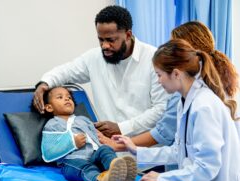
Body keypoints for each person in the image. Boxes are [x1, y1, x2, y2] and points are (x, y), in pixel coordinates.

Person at [112, 39, 240, 181]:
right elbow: (179, 151)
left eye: (159, 75)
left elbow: (207, 167)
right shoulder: (185, 101)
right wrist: (137, 150)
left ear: (176, 74)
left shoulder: (204, 106)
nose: (159, 81)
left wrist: (163, 178)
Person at [99, 21, 239, 151]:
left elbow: (164, 133)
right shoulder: (215, 81)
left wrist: (119, 145)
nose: (159, 81)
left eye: (160, 75)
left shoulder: (196, 100)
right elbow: (176, 152)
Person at [33, 5, 168, 138]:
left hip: (146, 148)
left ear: (128, 35)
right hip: (109, 147)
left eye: (110, 40)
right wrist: (44, 83)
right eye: (100, 39)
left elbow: (161, 109)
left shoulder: (154, 59)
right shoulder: (94, 58)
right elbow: (65, 71)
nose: (104, 46)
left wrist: (122, 128)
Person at [41, 86, 137, 181]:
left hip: (94, 154)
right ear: (49, 107)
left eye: (69, 97)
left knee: (105, 150)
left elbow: (97, 136)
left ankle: (117, 174)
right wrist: (73, 143)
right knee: (86, 169)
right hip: (72, 161)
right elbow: (48, 152)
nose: (67, 99)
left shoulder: (83, 120)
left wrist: (107, 141)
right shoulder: (52, 125)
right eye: (60, 97)